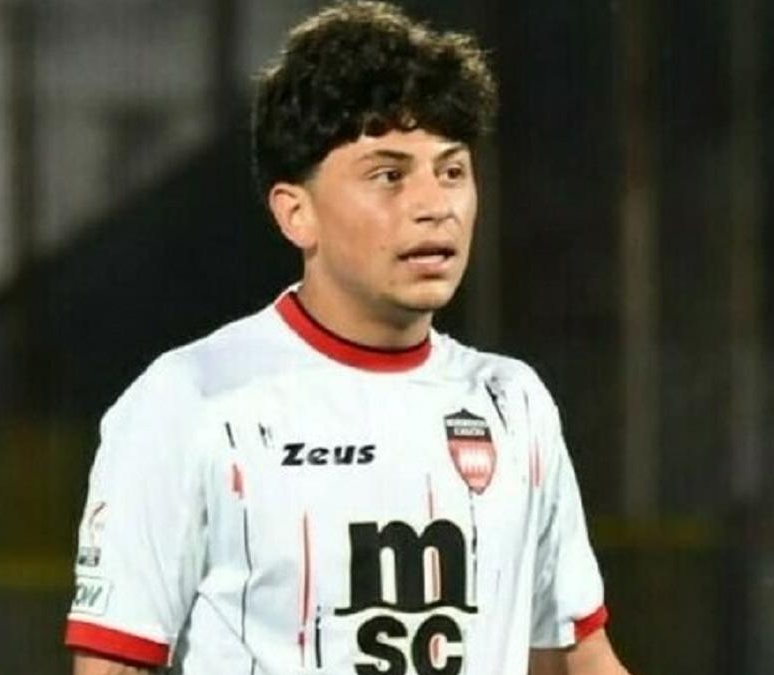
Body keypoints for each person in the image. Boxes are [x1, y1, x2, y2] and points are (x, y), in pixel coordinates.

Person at [65, 2, 630, 673]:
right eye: (389, 175)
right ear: (295, 213)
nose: (435, 205)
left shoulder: (515, 403)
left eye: (452, 171)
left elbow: (575, 659)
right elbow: (114, 665)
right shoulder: (190, 402)